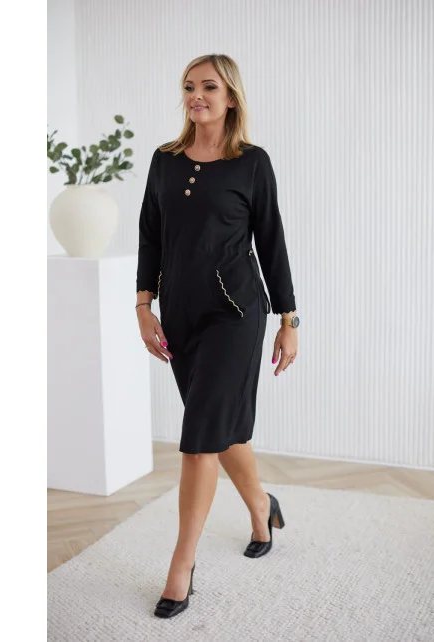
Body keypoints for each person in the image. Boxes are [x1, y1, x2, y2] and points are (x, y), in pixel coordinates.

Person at [135, 54, 300, 619]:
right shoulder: (164, 160)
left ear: (231, 97)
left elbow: (272, 243)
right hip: (181, 315)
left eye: (208, 86)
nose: (196, 95)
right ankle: (262, 505)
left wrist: (289, 320)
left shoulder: (252, 163)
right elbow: (149, 235)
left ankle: (181, 564)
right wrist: (143, 307)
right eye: (189, 86)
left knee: (200, 436)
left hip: (236, 314)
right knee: (220, 429)